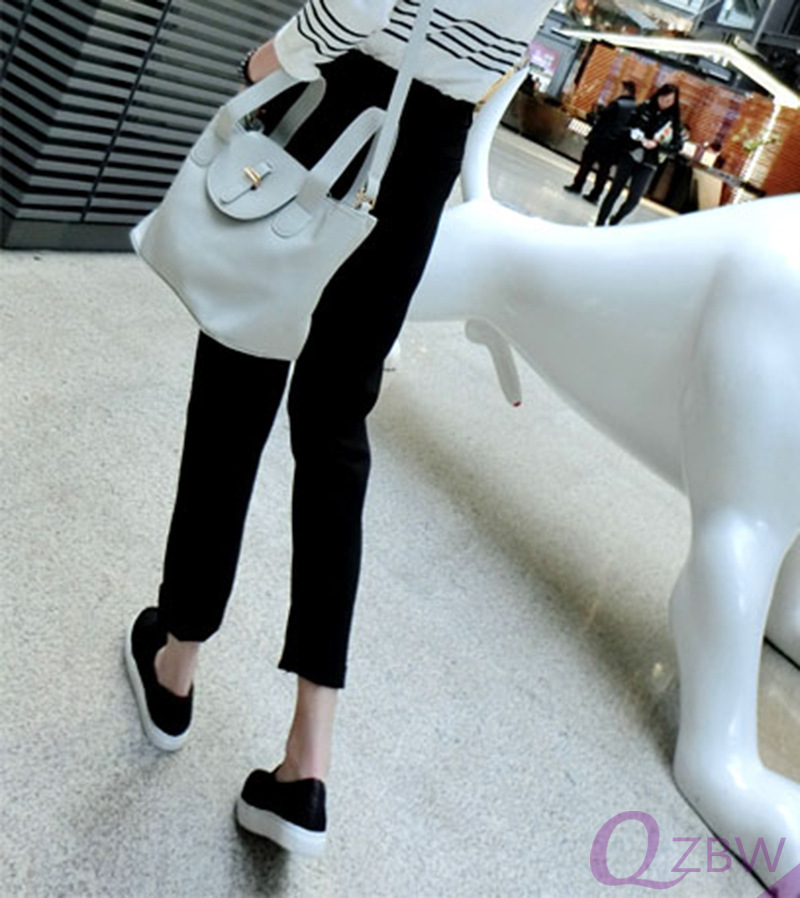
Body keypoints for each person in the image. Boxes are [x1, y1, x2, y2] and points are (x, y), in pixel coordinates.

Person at [124, 0, 553, 858]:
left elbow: (359, 6)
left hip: (343, 104)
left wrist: (272, 57)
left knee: (237, 385)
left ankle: (176, 662)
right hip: (429, 149)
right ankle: (307, 762)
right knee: (334, 424)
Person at [595, 83, 683, 226]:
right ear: (658, 95)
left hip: (649, 162)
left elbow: (677, 146)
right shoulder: (644, 108)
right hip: (630, 154)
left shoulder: (674, 120)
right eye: (663, 98)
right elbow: (624, 126)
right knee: (615, 190)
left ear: (674, 102)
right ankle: (600, 223)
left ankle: (615, 221)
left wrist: (658, 146)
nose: (664, 103)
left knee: (634, 198)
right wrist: (633, 134)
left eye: (669, 101)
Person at [563, 80, 637, 204]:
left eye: (620, 89)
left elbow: (603, 118)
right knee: (604, 171)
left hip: (600, 139)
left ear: (625, 91)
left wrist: (597, 112)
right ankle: (595, 195)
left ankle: (577, 185)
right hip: (615, 144)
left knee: (586, 163)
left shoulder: (617, 104)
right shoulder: (634, 108)